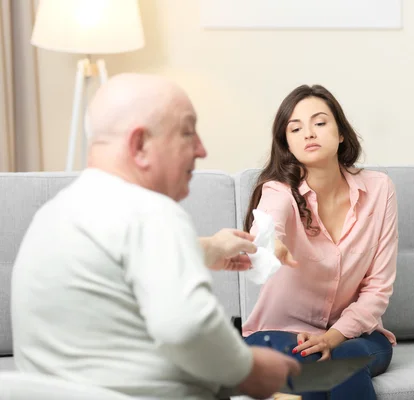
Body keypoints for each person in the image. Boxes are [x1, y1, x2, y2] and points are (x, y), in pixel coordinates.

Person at [10, 73, 300, 400]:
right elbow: (187, 327)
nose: (201, 150)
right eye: (187, 132)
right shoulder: (150, 211)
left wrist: (210, 248)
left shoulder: (54, 215)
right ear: (140, 146)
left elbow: (116, 266)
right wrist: (251, 370)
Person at [242, 84, 399, 400]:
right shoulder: (280, 191)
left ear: (341, 133)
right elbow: (267, 227)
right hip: (279, 334)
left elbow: (378, 288)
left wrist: (333, 337)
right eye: (295, 128)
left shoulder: (379, 190)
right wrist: (270, 245)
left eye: (320, 122)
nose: (308, 133)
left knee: (341, 360)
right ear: (287, 144)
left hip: (357, 336)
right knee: (309, 367)